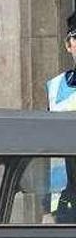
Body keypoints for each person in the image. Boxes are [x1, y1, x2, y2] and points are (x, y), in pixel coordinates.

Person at [46, 13, 76, 222]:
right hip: (64, 201)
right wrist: (46, 206)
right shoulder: (55, 87)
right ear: (68, 44)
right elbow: (45, 148)